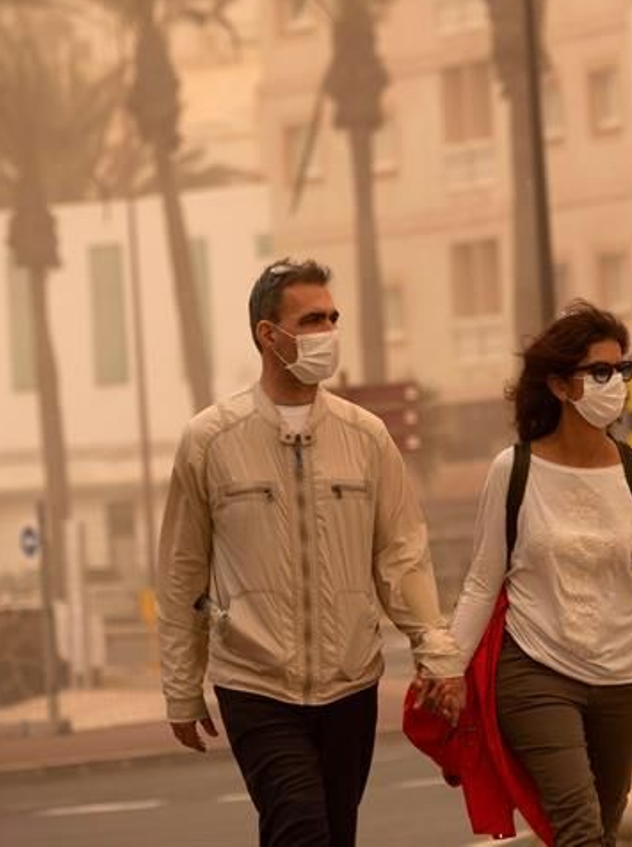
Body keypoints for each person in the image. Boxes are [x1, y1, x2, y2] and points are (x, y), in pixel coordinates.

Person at [157, 257, 465, 847]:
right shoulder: (209, 441)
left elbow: (402, 555)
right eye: (311, 320)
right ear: (267, 335)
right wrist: (181, 684)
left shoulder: (367, 437)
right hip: (255, 682)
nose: (327, 333)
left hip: (351, 683)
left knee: (333, 835)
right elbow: (181, 572)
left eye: (332, 318)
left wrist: (434, 648)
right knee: (301, 830)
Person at [449, 302, 632, 847]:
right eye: (600, 372)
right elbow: (481, 579)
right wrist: (448, 666)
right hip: (535, 670)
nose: (616, 384)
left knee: (600, 832)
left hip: (626, 679)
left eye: (623, 370)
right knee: (579, 830)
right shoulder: (512, 470)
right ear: (562, 386)